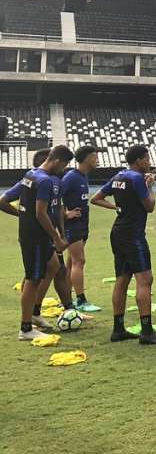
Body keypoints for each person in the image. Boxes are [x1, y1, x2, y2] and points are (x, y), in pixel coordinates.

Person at [90, 144, 156, 345]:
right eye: (147, 159)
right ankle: (146, 332)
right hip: (133, 234)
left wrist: (115, 207)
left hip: (118, 231)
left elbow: (96, 198)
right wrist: (150, 185)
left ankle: (118, 329)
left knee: (122, 278)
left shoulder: (119, 177)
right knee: (145, 279)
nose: (149, 162)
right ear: (139, 161)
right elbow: (150, 206)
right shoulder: (136, 178)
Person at [1, 146, 72, 340]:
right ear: (58, 161)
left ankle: (34, 313)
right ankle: (25, 329)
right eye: (65, 165)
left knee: (54, 266)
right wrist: (57, 237)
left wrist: (23, 216)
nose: (64, 169)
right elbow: (41, 213)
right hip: (36, 238)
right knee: (32, 280)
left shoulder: (30, 175)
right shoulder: (45, 181)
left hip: (33, 234)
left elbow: (3, 200)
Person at [63, 145, 101, 312]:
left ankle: (65, 298)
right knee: (79, 261)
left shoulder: (82, 176)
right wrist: (66, 213)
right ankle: (81, 300)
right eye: (94, 156)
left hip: (82, 224)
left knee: (71, 262)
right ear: (86, 158)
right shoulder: (71, 177)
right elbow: (54, 196)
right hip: (73, 225)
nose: (97, 159)